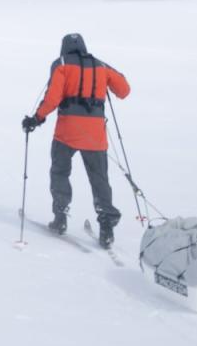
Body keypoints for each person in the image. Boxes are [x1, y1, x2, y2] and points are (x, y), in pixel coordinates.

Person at [22, 33, 130, 248]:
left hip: (67, 131)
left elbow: (52, 98)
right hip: (95, 134)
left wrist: (36, 119)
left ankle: (60, 217)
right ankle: (107, 226)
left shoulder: (61, 64)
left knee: (60, 172)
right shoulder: (100, 65)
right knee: (99, 179)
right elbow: (124, 90)